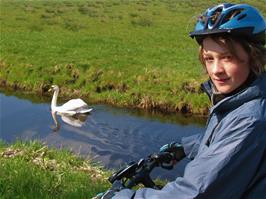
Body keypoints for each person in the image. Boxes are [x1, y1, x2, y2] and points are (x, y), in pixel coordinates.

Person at [94, 3, 266, 199]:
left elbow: (195, 193)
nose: (216, 70)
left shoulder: (250, 120)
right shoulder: (239, 99)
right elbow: (223, 139)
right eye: (209, 58)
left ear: (253, 57)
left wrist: (121, 197)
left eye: (227, 58)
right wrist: (185, 147)